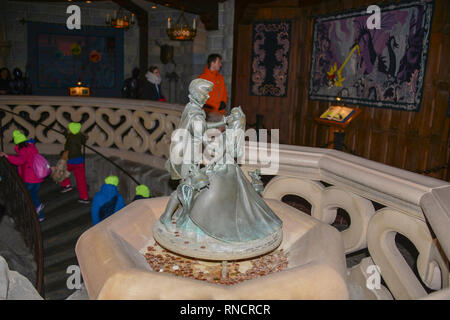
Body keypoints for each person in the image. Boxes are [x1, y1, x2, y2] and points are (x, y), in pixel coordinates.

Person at [0, 130, 46, 221]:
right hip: (38, 177)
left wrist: (7, 156)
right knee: (33, 195)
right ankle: (40, 216)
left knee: (25, 196)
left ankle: (23, 214)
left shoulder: (23, 149)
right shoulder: (32, 147)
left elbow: (20, 161)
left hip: (30, 178)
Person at [59, 122, 90, 204]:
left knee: (62, 170)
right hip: (80, 161)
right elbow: (71, 136)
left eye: (69, 128)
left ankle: (66, 185)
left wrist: (64, 155)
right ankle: (84, 197)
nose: (68, 129)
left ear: (71, 130)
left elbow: (70, 140)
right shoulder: (80, 136)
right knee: (81, 180)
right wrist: (65, 133)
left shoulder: (71, 138)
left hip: (71, 160)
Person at [197, 53, 228, 118]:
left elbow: (224, 93)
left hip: (221, 112)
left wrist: (224, 102)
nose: (220, 64)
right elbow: (200, 97)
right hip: (208, 113)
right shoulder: (202, 78)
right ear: (212, 63)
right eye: (219, 62)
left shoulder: (220, 77)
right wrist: (215, 106)